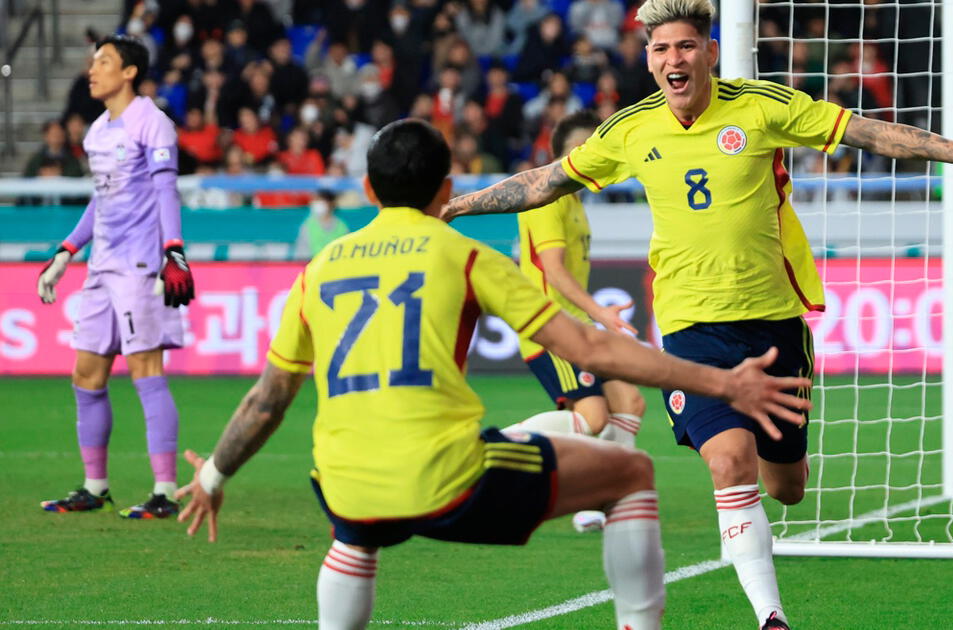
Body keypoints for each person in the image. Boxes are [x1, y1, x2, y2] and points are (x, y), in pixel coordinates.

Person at [439, 0, 953, 627]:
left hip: (773, 321)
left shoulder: (762, 107)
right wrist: (457, 206)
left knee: (786, 487)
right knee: (728, 461)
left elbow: (866, 131)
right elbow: (545, 182)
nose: (673, 60)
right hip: (689, 328)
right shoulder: (629, 129)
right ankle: (771, 616)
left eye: (685, 47)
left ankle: (759, 485)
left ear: (709, 51)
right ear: (648, 60)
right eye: (660, 50)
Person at [174, 119, 813, 630]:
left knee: (355, 535)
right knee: (632, 473)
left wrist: (212, 475)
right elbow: (590, 351)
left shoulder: (319, 269)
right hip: (445, 477)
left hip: (344, 484)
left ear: (368, 191)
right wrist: (722, 384)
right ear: (446, 190)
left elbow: (268, 398)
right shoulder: (464, 255)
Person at [36, 34, 195, 520]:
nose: (93, 69)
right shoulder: (98, 131)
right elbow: (102, 200)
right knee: (86, 374)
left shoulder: (153, 124)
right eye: (93, 61)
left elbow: (167, 193)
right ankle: (95, 485)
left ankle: (165, 490)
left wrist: (174, 252)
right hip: (101, 267)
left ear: (129, 72)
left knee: (146, 371)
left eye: (103, 61)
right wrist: (67, 250)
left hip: (142, 266)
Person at [507, 110, 647, 532]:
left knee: (630, 403)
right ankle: (496, 444)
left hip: (574, 328)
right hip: (552, 330)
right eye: (577, 150)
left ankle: (602, 498)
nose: (585, 157)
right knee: (593, 418)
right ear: (560, 155)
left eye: (592, 149)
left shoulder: (575, 200)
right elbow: (554, 271)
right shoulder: (545, 195)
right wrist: (599, 311)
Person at [294, 190, 350, 260]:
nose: (317, 204)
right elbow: (301, 252)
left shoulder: (341, 226)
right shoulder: (308, 225)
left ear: (331, 203)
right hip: (312, 266)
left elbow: (346, 251)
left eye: (320, 200)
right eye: (315, 200)